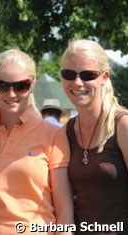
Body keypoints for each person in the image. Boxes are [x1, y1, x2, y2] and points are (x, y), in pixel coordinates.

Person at [0, 49, 74, 235]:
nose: (11, 93)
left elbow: (65, 212)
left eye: (20, 86)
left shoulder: (54, 135)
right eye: (2, 85)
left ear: (32, 84)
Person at [61, 39, 128, 234]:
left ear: (104, 77)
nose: (77, 82)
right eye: (69, 74)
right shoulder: (67, 131)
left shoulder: (122, 124)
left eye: (88, 75)